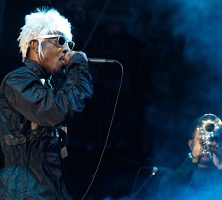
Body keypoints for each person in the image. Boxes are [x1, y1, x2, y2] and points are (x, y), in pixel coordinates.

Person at [0, 7, 93, 200]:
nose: (67, 49)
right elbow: (55, 111)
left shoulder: (47, 87)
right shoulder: (17, 80)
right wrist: (78, 68)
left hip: (48, 186)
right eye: (60, 41)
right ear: (36, 45)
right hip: (26, 188)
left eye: (69, 43)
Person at [157, 115, 222, 200]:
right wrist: (193, 158)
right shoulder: (172, 175)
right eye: (202, 140)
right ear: (191, 145)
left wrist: (220, 165)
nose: (209, 143)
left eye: (214, 139)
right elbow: (168, 194)